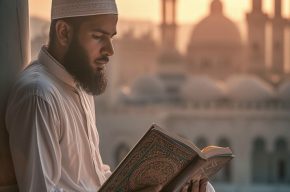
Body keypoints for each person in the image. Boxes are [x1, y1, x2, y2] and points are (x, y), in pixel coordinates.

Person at [5, 0, 215, 191]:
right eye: (98, 37)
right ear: (63, 33)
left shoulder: (80, 85)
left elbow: (95, 178)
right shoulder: (39, 96)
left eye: (111, 38)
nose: (109, 50)